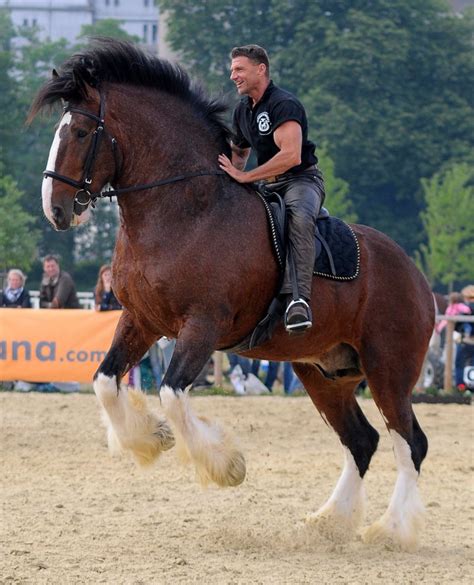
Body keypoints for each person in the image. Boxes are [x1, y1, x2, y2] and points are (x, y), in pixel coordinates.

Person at [218, 44, 325, 334]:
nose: (233, 76)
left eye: (239, 69)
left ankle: (299, 300)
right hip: (269, 184)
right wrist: (226, 174)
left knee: (299, 219)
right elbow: (239, 155)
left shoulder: (283, 104)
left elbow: (291, 155)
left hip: (301, 181)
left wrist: (247, 177)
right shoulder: (243, 111)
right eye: (232, 70)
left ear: (260, 69)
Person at [454, 285, 474, 392]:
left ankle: (461, 385)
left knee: (459, 364)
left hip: (466, 341)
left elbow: (457, 326)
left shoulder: (464, 309)